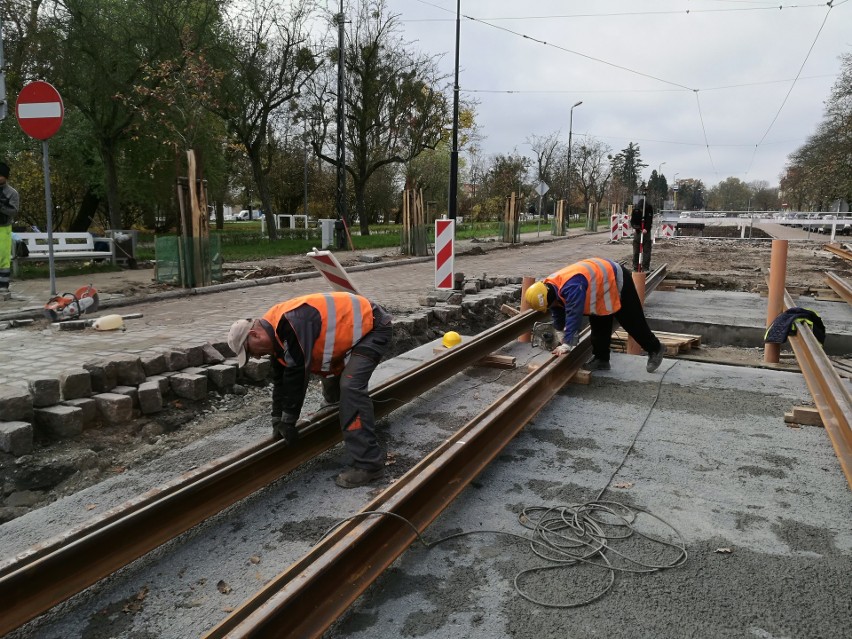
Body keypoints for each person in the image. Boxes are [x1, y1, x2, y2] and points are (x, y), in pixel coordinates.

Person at [227, 291, 393, 488]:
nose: (255, 357)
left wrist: (289, 420)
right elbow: (281, 378)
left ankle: (369, 464)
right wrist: (276, 418)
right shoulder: (274, 331)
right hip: (351, 334)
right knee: (333, 391)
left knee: (350, 387)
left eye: (250, 351)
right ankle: (344, 419)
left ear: (255, 335)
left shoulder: (291, 323)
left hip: (373, 328)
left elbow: (298, 373)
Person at [525, 257, 665, 373]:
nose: (552, 307)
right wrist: (560, 330)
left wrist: (567, 343)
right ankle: (601, 359)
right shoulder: (548, 287)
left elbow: (574, 314)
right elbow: (557, 309)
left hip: (616, 279)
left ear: (548, 297)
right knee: (598, 323)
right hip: (599, 286)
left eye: (550, 305)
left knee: (631, 321)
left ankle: (655, 348)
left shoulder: (571, 287)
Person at [0, 161, 20, 300]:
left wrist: (1, 208)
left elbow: (14, 211)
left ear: (6, 177)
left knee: (3, 258)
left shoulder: (12, 193)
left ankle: (3, 286)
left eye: (1, 175)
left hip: (4, 228)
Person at [631, 198, 654, 272]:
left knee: (646, 251)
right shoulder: (635, 210)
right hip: (638, 232)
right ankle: (635, 267)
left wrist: (646, 229)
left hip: (646, 233)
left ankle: (645, 267)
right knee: (636, 251)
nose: (641, 210)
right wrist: (638, 228)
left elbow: (649, 220)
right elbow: (633, 221)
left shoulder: (649, 209)